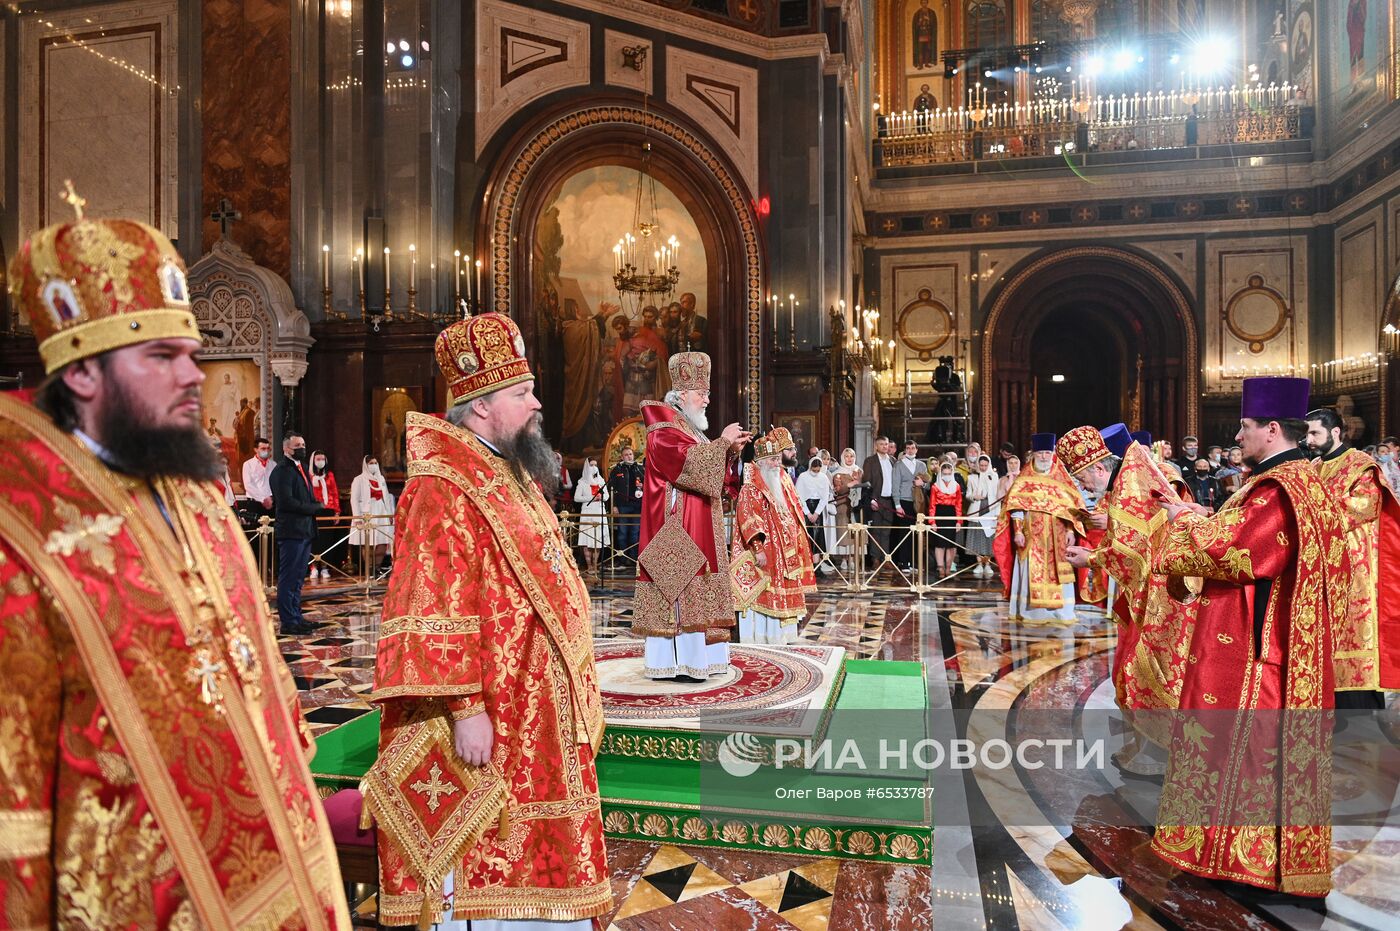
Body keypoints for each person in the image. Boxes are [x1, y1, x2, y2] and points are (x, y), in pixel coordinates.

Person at [0, 209, 349, 927]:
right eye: (162, 356)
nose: (195, 373)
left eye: (191, 350)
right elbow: (15, 799)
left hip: (282, 876)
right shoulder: (22, 531)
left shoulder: (194, 494)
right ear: (86, 373)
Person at [364, 313, 611, 927]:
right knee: (486, 858)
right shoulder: (442, 484)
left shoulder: (506, 469)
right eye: (521, 393)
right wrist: (465, 708)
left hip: (534, 704)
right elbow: (429, 604)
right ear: (479, 408)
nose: (536, 403)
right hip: (492, 714)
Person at [1150, 377, 1344, 899]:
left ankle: (1247, 866)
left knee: (1247, 750)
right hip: (1284, 645)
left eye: (1245, 426)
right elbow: (1247, 534)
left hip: (1259, 654)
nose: (1237, 436)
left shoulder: (1281, 488)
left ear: (1272, 429)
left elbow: (1237, 554)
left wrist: (1178, 524)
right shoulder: (1303, 481)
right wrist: (1202, 517)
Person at [632, 352, 749, 680]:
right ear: (682, 395)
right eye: (702, 394)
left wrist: (729, 450)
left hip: (698, 526)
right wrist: (721, 443)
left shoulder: (690, 429)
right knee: (680, 591)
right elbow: (687, 467)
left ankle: (701, 660)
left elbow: (714, 478)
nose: (708, 400)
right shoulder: (664, 428)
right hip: (677, 532)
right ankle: (678, 662)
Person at [1307, 407, 1400, 708]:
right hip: (1321, 565)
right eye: (1307, 433)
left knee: (1353, 635)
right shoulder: (1314, 466)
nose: (1308, 439)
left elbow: (1365, 505)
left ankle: (1360, 712)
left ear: (1335, 432)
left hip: (1354, 568)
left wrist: (1314, 509)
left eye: (1314, 433)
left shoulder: (1361, 464)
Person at [730, 428, 817, 643]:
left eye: (777, 459)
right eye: (771, 460)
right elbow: (748, 520)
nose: (776, 464)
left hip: (783, 553)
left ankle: (780, 637)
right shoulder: (751, 487)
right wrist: (758, 549)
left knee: (781, 593)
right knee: (763, 596)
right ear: (760, 461)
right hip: (763, 553)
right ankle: (759, 637)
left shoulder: (781, 480)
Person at [992, 434, 1082, 622]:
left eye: (1047, 453)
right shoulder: (1025, 477)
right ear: (1034, 454)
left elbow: (1072, 508)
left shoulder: (1061, 477)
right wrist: (1017, 531)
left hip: (1058, 536)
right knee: (1030, 571)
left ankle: (1062, 612)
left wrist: (1070, 531)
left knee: (1060, 572)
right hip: (1030, 534)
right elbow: (1015, 507)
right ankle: (1031, 612)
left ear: (1052, 453)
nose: (1043, 457)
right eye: (1040, 453)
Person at [271, 431, 326, 635]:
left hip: (305, 530)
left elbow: (306, 495)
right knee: (288, 577)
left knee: (298, 577)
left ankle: (296, 616)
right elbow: (286, 502)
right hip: (291, 531)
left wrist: (314, 505)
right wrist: (314, 508)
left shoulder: (301, 467)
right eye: (297, 446)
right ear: (286, 449)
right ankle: (288, 622)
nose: (301, 448)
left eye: (303, 444)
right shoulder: (281, 471)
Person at [350, 456, 395, 574]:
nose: (373, 465)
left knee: (383, 540)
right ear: (366, 465)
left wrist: (389, 515)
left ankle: (377, 567)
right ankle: (369, 568)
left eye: (375, 463)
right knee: (368, 541)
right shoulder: (359, 479)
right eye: (371, 463)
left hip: (381, 511)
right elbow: (354, 499)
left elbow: (387, 499)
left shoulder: (381, 479)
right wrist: (357, 517)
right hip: (367, 512)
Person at [891, 440, 929, 571]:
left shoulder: (922, 465)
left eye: (913, 448)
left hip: (919, 502)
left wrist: (922, 484)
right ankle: (904, 562)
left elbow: (928, 484)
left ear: (917, 450)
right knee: (904, 533)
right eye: (908, 448)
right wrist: (897, 505)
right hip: (904, 501)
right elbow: (895, 486)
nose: (911, 450)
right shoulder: (899, 465)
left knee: (917, 532)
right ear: (905, 450)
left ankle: (915, 562)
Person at [795, 455, 836, 574]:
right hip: (806, 507)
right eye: (814, 470)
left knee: (818, 537)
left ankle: (817, 566)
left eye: (818, 470)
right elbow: (799, 496)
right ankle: (807, 565)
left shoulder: (823, 477)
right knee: (807, 536)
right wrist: (808, 513)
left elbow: (824, 497)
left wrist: (816, 513)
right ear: (810, 467)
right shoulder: (803, 477)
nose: (816, 473)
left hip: (818, 509)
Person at [608, 444, 645, 567]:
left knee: (635, 533)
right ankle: (623, 558)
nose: (628, 456)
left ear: (633, 455)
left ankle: (634, 559)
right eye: (625, 455)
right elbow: (611, 489)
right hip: (622, 506)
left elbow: (648, 486)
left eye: (630, 454)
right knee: (622, 533)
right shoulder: (617, 470)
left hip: (637, 506)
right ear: (621, 457)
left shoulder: (640, 469)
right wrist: (614, 506)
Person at [862, 436, 896, 568]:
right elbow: (867, 481)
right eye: (881, 444)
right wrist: (872, 499)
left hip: (889, 500)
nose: (884, 447)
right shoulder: (870, 461)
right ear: (876, 446)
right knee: (876, 530)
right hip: (877, 499)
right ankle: (875, 558)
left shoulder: (893, 461)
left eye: (886, 444)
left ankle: (885, 557)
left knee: (886, 530)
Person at [574, 456, 610, 580]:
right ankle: (589, 566)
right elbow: (577, 498)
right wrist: (591, 498)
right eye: (591, 465)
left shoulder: (600, 480)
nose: (594, 467)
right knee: (587, 539)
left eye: (595, 465)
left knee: (598, 540)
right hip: (587, 513)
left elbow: (607, 497)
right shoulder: (582, 482)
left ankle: (595, 565)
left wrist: (602, 497)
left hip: (599, 511)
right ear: (586, 466)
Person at [963, 455, 999, 578]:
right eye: (981, 465)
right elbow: (968, 494)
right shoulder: (972, 477)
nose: (983, 468)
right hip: (976, 510)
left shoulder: (994, 477)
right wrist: (974, 496)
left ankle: (988, 564)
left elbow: (997, 495)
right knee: (977, 538)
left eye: (985, 465)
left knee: (988, 538)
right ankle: (978, 564)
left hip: (991, 510)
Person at [828, 447, 864, 569]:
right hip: (843, 506)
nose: (849, 459)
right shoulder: (837, 473)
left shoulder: (859, 471)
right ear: (843, 458)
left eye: (851, 456)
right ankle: (844, 558)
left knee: (855, 531)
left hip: (856, 507)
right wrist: (849, 485)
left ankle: (853, 559)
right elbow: (837, 490)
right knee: (843, 532)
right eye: (847, 456)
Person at [309, 449, 342, 579]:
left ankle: (324, 567)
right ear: (313, 461)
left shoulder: (330, 475)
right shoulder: (309, 476)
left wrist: (337, 512)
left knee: (326, 540)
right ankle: (313, 567)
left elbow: (334, 494)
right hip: (314, 511)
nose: (320, 462)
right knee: (314, 541)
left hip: (327, 510)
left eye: (323, 459)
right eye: (318, 459)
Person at [927, 461, 963, 578]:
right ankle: (941, 568)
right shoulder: (935, 486)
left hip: (952, 514)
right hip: (939, 514)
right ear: (941, 474)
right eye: (944, 473)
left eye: (949, 473)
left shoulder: (956, 486)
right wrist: (932, 521)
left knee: (951, 544)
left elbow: (959, 504)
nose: (946, 476)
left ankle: (948, 568)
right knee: (940, 544)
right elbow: (932, 505)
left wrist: (959, 521)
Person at [242, 434, 275, 516]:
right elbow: (248, 485)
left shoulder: (273, 464)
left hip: (271, 503)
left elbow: (277, 483)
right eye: (263, 449)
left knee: (272, 527)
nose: (266, 451)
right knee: (255, 527)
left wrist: (272, 499)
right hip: (255, 503)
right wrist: (263, 499)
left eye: (268, 449)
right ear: (256, 449)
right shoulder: (248, 464)